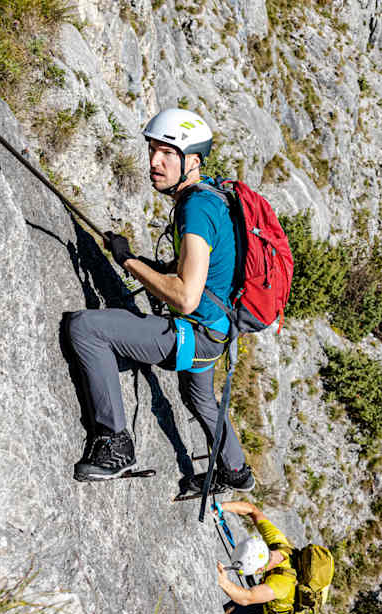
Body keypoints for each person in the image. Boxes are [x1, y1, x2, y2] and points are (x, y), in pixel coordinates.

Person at [68, 107, 254, 494]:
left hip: (197, 332)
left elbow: (185, 297)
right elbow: (201, 269)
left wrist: (129, 261)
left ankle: (115, 445)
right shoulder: (214, 196)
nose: (155, 162)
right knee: (198, 395)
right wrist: (152, 265)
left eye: (167, 154)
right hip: (217, 330)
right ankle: (236, 471)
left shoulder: (196, 208)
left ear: (193, 161)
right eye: (152, 150)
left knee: (86, 329)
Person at [216, 500, 305, 614]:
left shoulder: (280, 584)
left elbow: (246, 597)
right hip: (272, 602)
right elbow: (252, 510)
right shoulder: (277, 543)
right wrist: (221, 507)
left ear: (258, 569)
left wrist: (224, 582)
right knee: (232, 611)